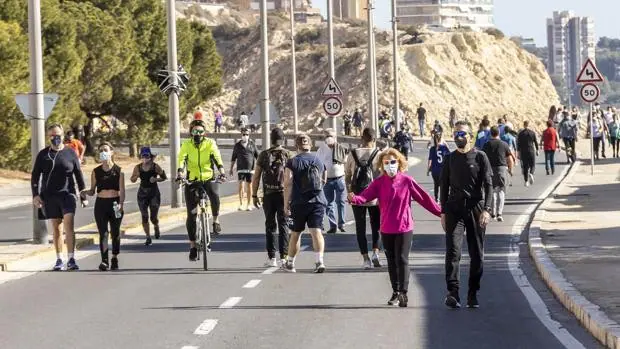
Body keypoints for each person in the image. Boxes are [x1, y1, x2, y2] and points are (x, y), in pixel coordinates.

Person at [349, 148, 441, 307]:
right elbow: (365, 196)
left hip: (404, 227)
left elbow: (424, 199)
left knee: (402, 259)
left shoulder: (407, 181)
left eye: (393, 162)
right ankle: (395, 291)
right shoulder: (378, 183)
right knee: (391, 261)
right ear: (381, 165)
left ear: (399, 163)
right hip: (386, 228)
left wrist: (441, 212)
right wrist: (354, 198)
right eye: (386, 162)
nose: (390, 165)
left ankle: (403, 292)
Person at [439, 121, 493, 309]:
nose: (458, 137)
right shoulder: (450, 159)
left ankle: (472, 293)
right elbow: (443, 187)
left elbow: (488, 185)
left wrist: (487, 209)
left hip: (475, 208)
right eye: (455, 133)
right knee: (453, 251)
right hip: (454, 209)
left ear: (471, 136)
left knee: (476, 254)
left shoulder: (480, 157)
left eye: (461, 133)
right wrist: (443, 212)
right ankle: (453, 292)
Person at [31, 124, 86, 271]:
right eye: (52, 136)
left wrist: (82, 193)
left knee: (69, 224)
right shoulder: (43, 155)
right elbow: (35, 176)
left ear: (63, 136)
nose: (56, 138)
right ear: (49, 137)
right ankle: (59, 259)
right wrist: (35, 195)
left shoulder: (70, 153)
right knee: (56, 227)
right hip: (49, 196)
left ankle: (71, 258)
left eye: (58, 135)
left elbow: (78, 174)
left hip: (67, 194)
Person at [177, 119, 226, 261]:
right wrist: (180, 173)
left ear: (204, 133)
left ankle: (216, 220)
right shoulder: (186, 144)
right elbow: (182, 159)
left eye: (200, 131)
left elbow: (217, 158)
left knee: (215, 195)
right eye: (194, 131)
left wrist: (221, 171)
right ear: (190, 132)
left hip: (208, 177)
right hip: (192, 180)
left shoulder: (210, 143)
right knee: (191, 215)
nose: (197, 134)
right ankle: (192, 246)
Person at [283, 134, 328, 273]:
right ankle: (319, 261)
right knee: (316, 232)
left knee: (296, 233)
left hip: (299, 202)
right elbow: (324, 180)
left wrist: (286, 203)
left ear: (296, 146)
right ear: (310, 145)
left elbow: (288, 183)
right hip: (318, 201)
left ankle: (290, 263)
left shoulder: (292, 162)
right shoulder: (318, 160)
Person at [252, 128, 294, 267]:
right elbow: (294, 177)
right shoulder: (289, 154)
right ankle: (284, 257)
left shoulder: (264, 155)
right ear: (283, 139)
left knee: (270, 226)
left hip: (269, 194)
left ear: (271, 139)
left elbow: (256, 176)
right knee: (284, 225)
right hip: (284, 194)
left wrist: (254, 195)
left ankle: (272, 258)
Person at [82, 143, 125, 271]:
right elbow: (92, 190)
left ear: (111, 152)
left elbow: (122, 190)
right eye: (101, 150)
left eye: (105, 150)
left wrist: (121, 204)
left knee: (115, 232)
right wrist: (84, 192)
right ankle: (104, 260)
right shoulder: (96, 172)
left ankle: (114, 256)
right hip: (101, 204)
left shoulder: (119, 171)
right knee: (103, 233)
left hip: (115, 204)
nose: (103, 152)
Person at [345, 128, 382, 269]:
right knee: (376, 226)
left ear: (362, 139)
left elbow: (347, 175)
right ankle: (376, 254)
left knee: (360, 228)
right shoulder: (379, 154)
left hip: (357, 196)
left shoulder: (352, 154)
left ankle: (366, 259)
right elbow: (383, 177)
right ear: (374, 139)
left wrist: (350, 192)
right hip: (375, 198)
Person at [130, 147, 166, 246]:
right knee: (144, 216)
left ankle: (156, 225)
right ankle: (148, 237)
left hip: (154, 193)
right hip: (142, 194)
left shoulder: (155, 167)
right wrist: (136, 176)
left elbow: (164, 177)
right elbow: (132, 179)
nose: (145, 158)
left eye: (147, 156)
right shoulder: (138, 167)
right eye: (143, 156)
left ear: (151, 157)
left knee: (153, 217)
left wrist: (156, 179)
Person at [316, 129, 348, 234]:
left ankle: (342, 224)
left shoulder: (341, 148)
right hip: (327, 180)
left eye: (331, 136)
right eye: (327, 136)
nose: (329, 138)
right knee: (328, 204)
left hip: (340, 178)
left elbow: (346, 163)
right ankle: (333, 225)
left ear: (335, 137)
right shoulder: (321, 150)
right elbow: (317, 164)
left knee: (341, 202)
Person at [482, 126, 513, 222]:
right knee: (501, 191)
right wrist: (510, 170)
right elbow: (510, 159)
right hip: (501, 170)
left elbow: (483, 159)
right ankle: (500, 213)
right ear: (498, 133)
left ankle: (493, 213)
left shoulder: (486, 145)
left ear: (490, 133)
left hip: (489, 169)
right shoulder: (504, 144)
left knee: (492, 191)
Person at [230, 128, 259, 211]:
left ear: (249, 135)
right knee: (241, 185)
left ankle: (249, 204)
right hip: (240, 169)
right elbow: (233, 158)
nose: (245, 136)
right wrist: (231, 169)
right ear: (241, 135)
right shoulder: (237, 145)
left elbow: (258, 156)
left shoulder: (252, 144)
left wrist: (259, 168)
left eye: (247, 134)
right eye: (244, 134)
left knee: (249, 186)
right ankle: (241, 203)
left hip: (250, 169)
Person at [428, 131, 451, 202]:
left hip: (434, 170)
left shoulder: (432, 148)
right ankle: (443, 198)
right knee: (443, 185)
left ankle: (436, 198)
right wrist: (446, 143)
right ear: (441, 138)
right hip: (443, 169)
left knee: (436, 184)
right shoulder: (444, 148)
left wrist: (428, 170)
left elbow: (430, 160)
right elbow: (449, 155)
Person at [516, 120, 538, 187]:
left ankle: (526, 181)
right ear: (529, 125)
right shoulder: (532, 133)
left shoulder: (520, 134)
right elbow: (535, 142)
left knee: (525, 166)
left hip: (523, 151)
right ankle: (531, 173)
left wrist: (518, 152)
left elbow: (518, 144)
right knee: (532, 165)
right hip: (531, 150)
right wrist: (537, 150)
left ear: (524, 125)